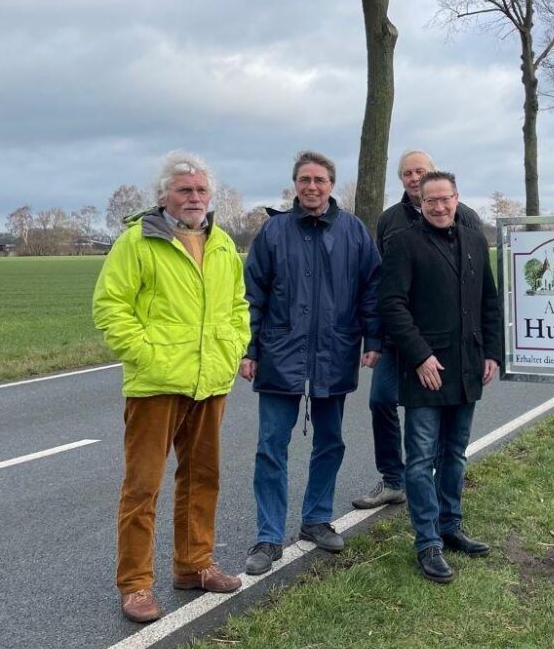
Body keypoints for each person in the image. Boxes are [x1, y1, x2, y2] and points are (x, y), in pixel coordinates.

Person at [93, 151, 249, 623]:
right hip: (156, 384)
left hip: (210, 382)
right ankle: (136, 585)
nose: (194, 198)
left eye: (201, 190)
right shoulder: (137, 243)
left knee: (203, 479)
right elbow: (110, 308)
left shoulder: (222, 244)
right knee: (143, 486)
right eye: (184, 190)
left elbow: (238, 307)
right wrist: (149, 355)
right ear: (163, 196)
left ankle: (194, 564)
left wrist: (234, 348)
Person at [240, 151, 382, 575]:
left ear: (331, 184)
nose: (312, 187)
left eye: (320, 180)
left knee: (331, 441)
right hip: (280, 353)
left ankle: (316, 518)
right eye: (305, 180)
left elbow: (371, 290)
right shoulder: (274, 232)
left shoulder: (354, 232)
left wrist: (373, 338)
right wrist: (249, 348)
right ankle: (268, 535)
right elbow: (253, 294)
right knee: (270, 446)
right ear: (295, 185)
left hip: (334, 352)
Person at [378, 170, 501, 583]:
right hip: (425, 372)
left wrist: (492, 353)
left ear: (456, 197)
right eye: (430, 200)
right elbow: (392, 306)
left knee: (455, 454)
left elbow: (489, 301)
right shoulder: (403, 244)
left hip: (467, 367)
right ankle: (427, 541)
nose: (439, 206)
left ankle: (451, 526)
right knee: (420, 462)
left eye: (445, 199)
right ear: (421, 201)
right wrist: (419, 357)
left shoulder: (473, 241)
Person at [352, 150, 485, 510]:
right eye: (407, 173)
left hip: (442, 343)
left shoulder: (466, 218)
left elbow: (478, 285)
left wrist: (483, 348)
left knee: (437, 426)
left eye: (420, 171)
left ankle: (439, 489)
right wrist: (375, 338)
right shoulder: (390, 220)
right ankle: (394, 479)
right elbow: (382, 286)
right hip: (397, 338)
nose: (413, 177)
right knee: (380, 400)